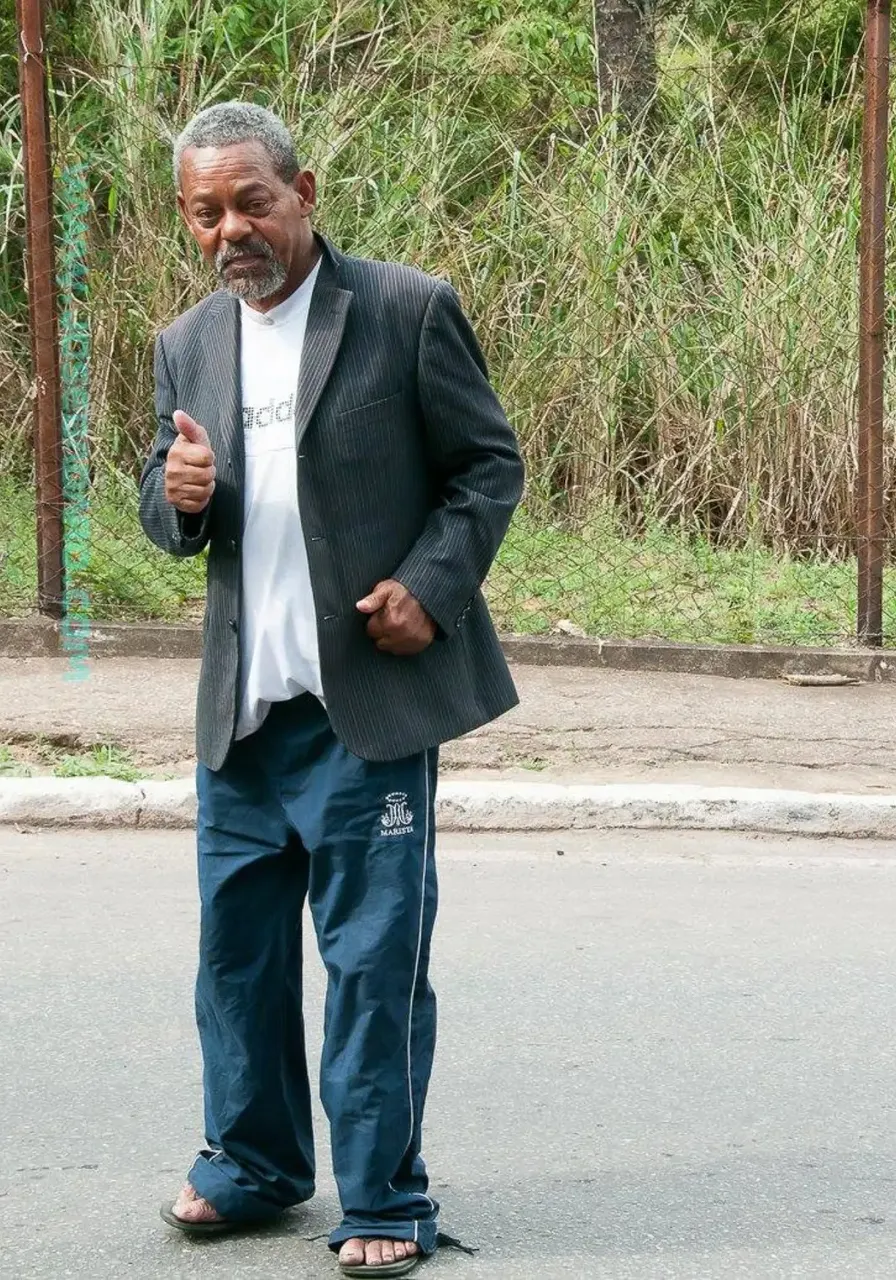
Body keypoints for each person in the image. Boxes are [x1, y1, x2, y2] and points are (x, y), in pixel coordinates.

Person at [139, 101, 524, 1276]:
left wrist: (428, 583)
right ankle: (253, 1166)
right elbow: (165, 513)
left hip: (363, 713)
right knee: (237, 960)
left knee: (371, 962)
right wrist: (181, 491)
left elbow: (485, 465)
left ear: (303, 190)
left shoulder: (403, 310)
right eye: (206, 211)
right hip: (243, 718)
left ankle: (385, 1198)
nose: (230, 230)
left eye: (251, 200)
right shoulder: (187, 340)